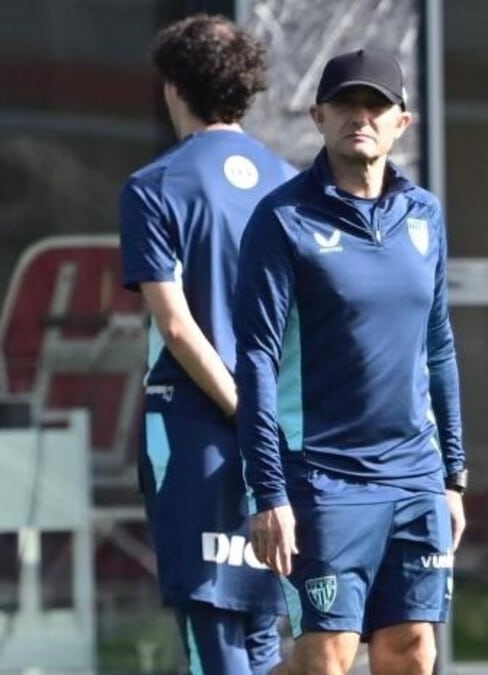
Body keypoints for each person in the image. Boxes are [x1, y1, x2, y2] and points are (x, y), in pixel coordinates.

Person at [235, 48, 466, 675]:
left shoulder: (425, 215)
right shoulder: (281, 221)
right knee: (328, 654)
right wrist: (269, 491)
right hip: (323, 479)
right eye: (345, 105)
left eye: (375, 105)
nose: (359, 117)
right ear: (318, 116)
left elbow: (437, 344)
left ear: (402, 123)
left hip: (415, 474)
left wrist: (452, 475)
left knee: (412, 649)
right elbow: (255, 359)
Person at [118, 15, 295, 675]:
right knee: (263, 633)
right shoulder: (294, 183)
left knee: (214, 642)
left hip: (197, 429)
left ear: (171, 87)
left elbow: (176, 324)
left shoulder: (154, 186)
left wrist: (240, 412)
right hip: (281, 435)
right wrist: (272, 420)